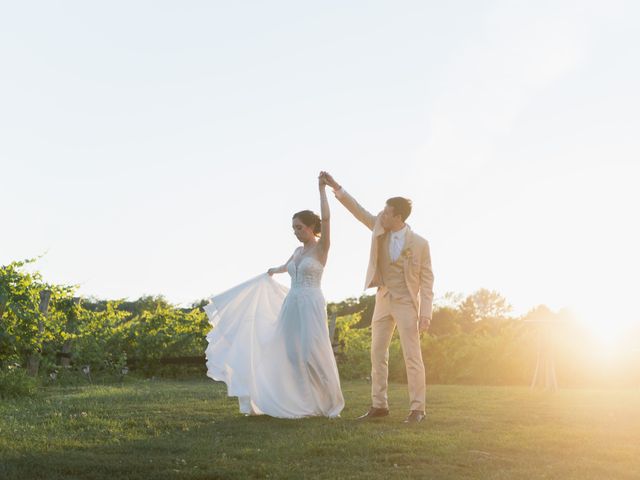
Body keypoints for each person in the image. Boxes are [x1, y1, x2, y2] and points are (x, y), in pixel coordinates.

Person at [204, 175, 344, 418]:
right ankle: (302, 400)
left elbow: (328, 218)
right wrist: (273, 271)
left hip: (311, 302)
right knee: (289, 352)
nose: (296, 232)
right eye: (293, 229)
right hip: (292, 303)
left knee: (313, 351)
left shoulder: (322, 248)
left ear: (312, 227)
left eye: (299, 227)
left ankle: (330, 402)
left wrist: (322, 189)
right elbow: (286, 267)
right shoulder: (297, 251)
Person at [320, 171, 433, 424]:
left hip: (406, 302)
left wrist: (426, 313)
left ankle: (418, 409)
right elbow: (359, 211)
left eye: (387, 211)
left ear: (398, 216)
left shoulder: (421, 244)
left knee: (412, 356)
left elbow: (427, 282)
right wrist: (336, 187)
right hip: (382, 299)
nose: (382, 214)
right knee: (377, 353)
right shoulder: (379, 227)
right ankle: (379, 405)